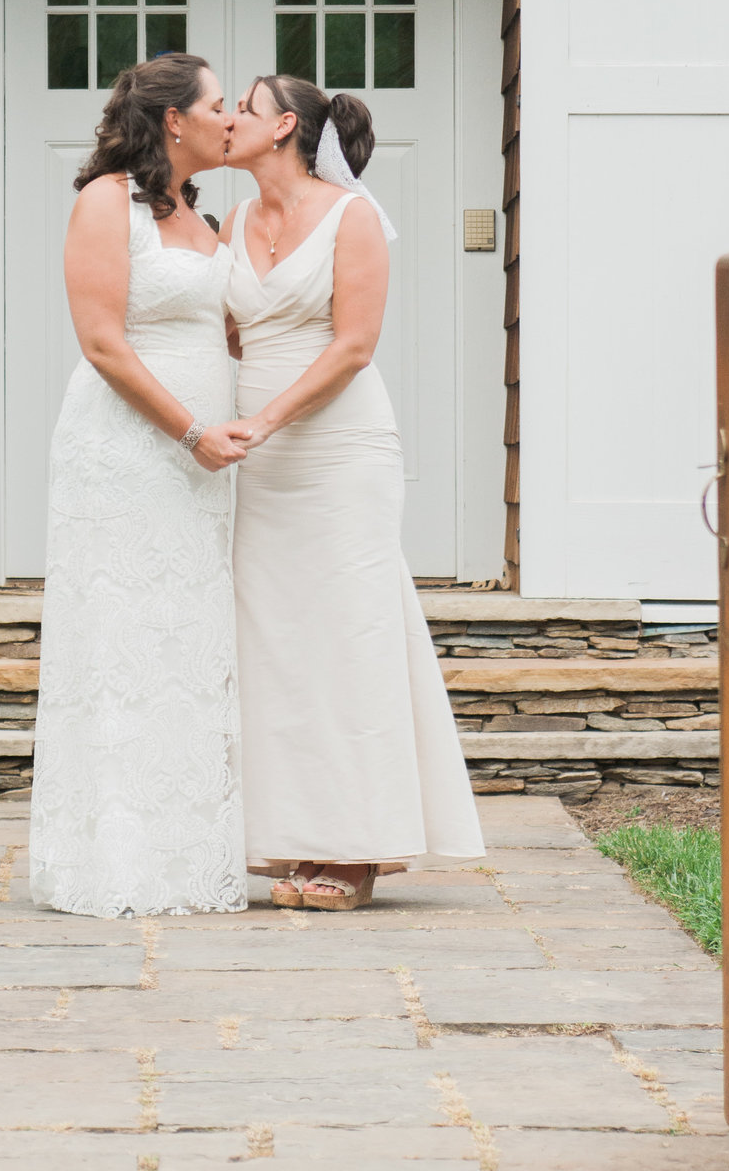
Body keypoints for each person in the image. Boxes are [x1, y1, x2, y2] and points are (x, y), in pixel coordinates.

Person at [222, 74, 485, 911]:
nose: (228, 119)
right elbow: (231, 330)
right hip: (255, 454)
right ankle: (293, 835)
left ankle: (361, 844)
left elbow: (352, 346)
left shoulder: (352, 216)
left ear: (285, 127)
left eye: (245, 109)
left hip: (338, 448)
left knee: (351, 632)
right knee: (273, 644)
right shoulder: (231, 219)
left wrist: (264, 419)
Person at [29, 54, 253, 918]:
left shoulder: (207, 218)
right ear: (173, 120)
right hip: (126, 453)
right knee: (122, 643)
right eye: (218, 105)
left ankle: (188, 854)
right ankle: (113, 861)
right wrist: (191, 430)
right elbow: (103, 343)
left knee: (186, 645)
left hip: (201, 463)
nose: (229, 117)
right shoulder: (105, 201)